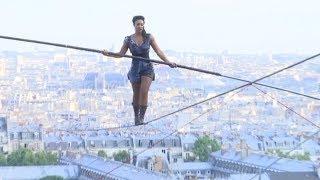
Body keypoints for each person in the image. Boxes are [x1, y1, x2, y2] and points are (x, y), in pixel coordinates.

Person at [103, 15, 176, 126]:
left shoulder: (149, 37)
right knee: (136, 93)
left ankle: (141, 117)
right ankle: (136, 117)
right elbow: (121, 54)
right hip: (135, 68)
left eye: (142, 24)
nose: (140, 26)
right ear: (134, 25)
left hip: (147, 67)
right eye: (138, 24)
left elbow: (158, 52)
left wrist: (168, 62)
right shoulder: (128, 39)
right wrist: (109, 54)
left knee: (144, 91)